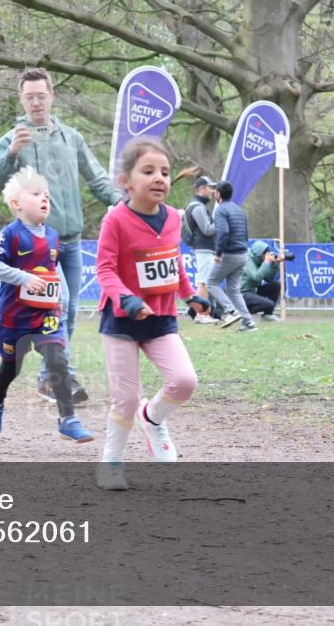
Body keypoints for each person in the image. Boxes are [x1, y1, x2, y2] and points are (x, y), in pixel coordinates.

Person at [0, 67, 124, 404]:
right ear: (20, 99)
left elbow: (97, 178)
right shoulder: (10, 140)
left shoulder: (71, 137)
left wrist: (122, 202)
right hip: (37, 242)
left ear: (52, 96)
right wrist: (11, 155)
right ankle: (56, 376)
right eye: (29, 97)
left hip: (72, 239)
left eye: (41, 95)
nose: (36, 103)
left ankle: (49, 376)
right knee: (58, 305)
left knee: (69, 310)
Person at [93, 137, 209, 490]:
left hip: (160, 318)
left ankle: (153, 418)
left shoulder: (173, 217)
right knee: (126, 398)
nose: (159, 178)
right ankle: (111, 462)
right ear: (125, 181)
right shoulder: (115, 220)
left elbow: (173, 261)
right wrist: (127, 299)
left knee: (185, 381)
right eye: (148, 171)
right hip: (122, 320)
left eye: (165, 172)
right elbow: (104, 269)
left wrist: (190, 295)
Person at [0, 166, 95, 443]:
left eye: (46, 194)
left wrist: (57, 298)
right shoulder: (11, 234)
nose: (45, 198)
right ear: (16, 204)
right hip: (13, 319)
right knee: (11, 368)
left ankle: (68, 419)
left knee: (58, 360)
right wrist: (24, 278)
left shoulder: (54, 237)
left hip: (45, 316)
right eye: (35, 194)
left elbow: (51, 271)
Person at [207, 181, 255, 332]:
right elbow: (246, 233)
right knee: (234, 290)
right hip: (243, 254)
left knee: (211, 283)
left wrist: (218, 253)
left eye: (215, 192)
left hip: (229, 254)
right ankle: (248, 322)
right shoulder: (239, 210)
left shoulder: (221, 210)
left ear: (218, 194)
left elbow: (223, 232)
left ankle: (231, 311)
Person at [180, 172, 218, 325]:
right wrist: (221, 222)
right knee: (204, 282)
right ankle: (201, 314)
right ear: (202, 189)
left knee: (204, 281)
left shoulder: (197, 206)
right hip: (203, 249)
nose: (213, 191)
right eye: (210, 188)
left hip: (204, 249)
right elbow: (207, 230)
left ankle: (195, 311)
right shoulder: (198, 207)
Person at [240, 241, 288, 321]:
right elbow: (256, 277)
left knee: (275, 285)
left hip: (254, 291)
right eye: (265, 254)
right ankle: (242, 312)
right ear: (259, 253)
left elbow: (268, 279)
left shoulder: (258, 260)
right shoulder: (247, 260)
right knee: (269, 304)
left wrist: (275, 264)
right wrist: (266, 262)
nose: (267, 256)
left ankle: (267, 315)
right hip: (244, 294)